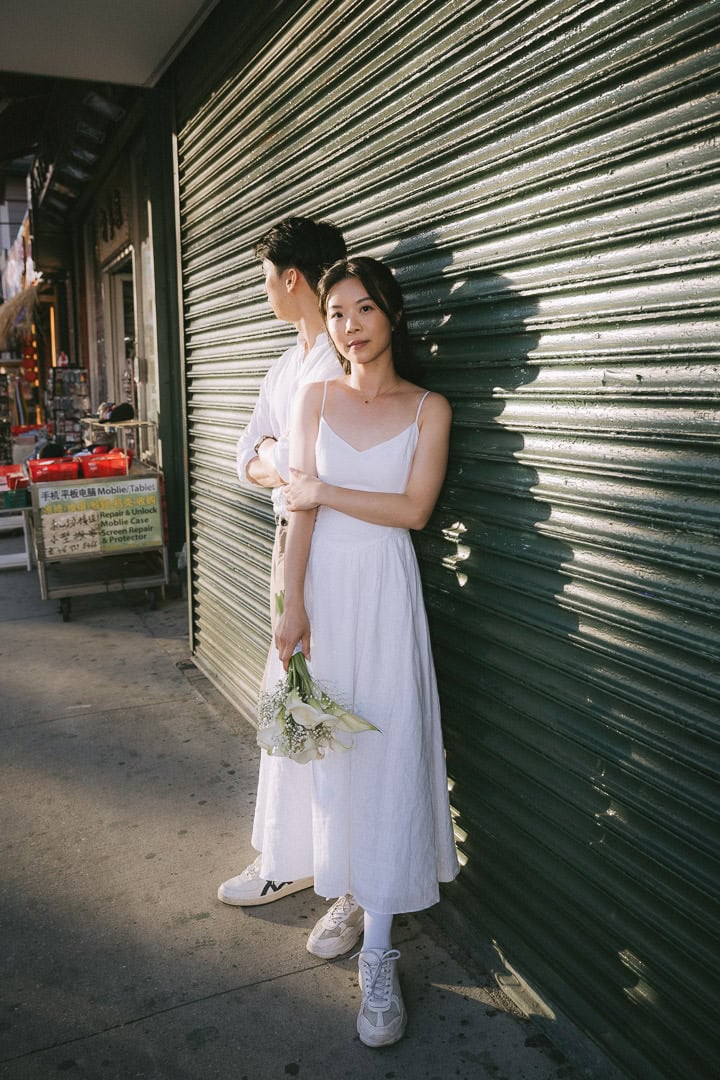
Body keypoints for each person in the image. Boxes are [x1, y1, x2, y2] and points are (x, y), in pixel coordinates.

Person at [260, 256, 459, 1047]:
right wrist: (289, 601)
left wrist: (320, 490)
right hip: (325, 595)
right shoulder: (313, 396)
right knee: (331, 751)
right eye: (336, 312)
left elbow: (412, 510)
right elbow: (297, 514)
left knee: (384, 750)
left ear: (393, 316)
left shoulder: (428, 408)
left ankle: (380, 954)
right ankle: (349, 887)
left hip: (385, 589)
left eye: (365, 308)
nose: (349, 325)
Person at [218, 216, 348, 913]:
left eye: (265, 276)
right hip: (284, 551)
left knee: (329, 707)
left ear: (289, 276)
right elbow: (246, 458)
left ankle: (344, 870)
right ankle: (288, 854)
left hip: (332, 557)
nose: (263, 288)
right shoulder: (283, 367)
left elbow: (319, 471)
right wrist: (276, 462)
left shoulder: (341, 361)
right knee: (289, 709)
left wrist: (281, 462)